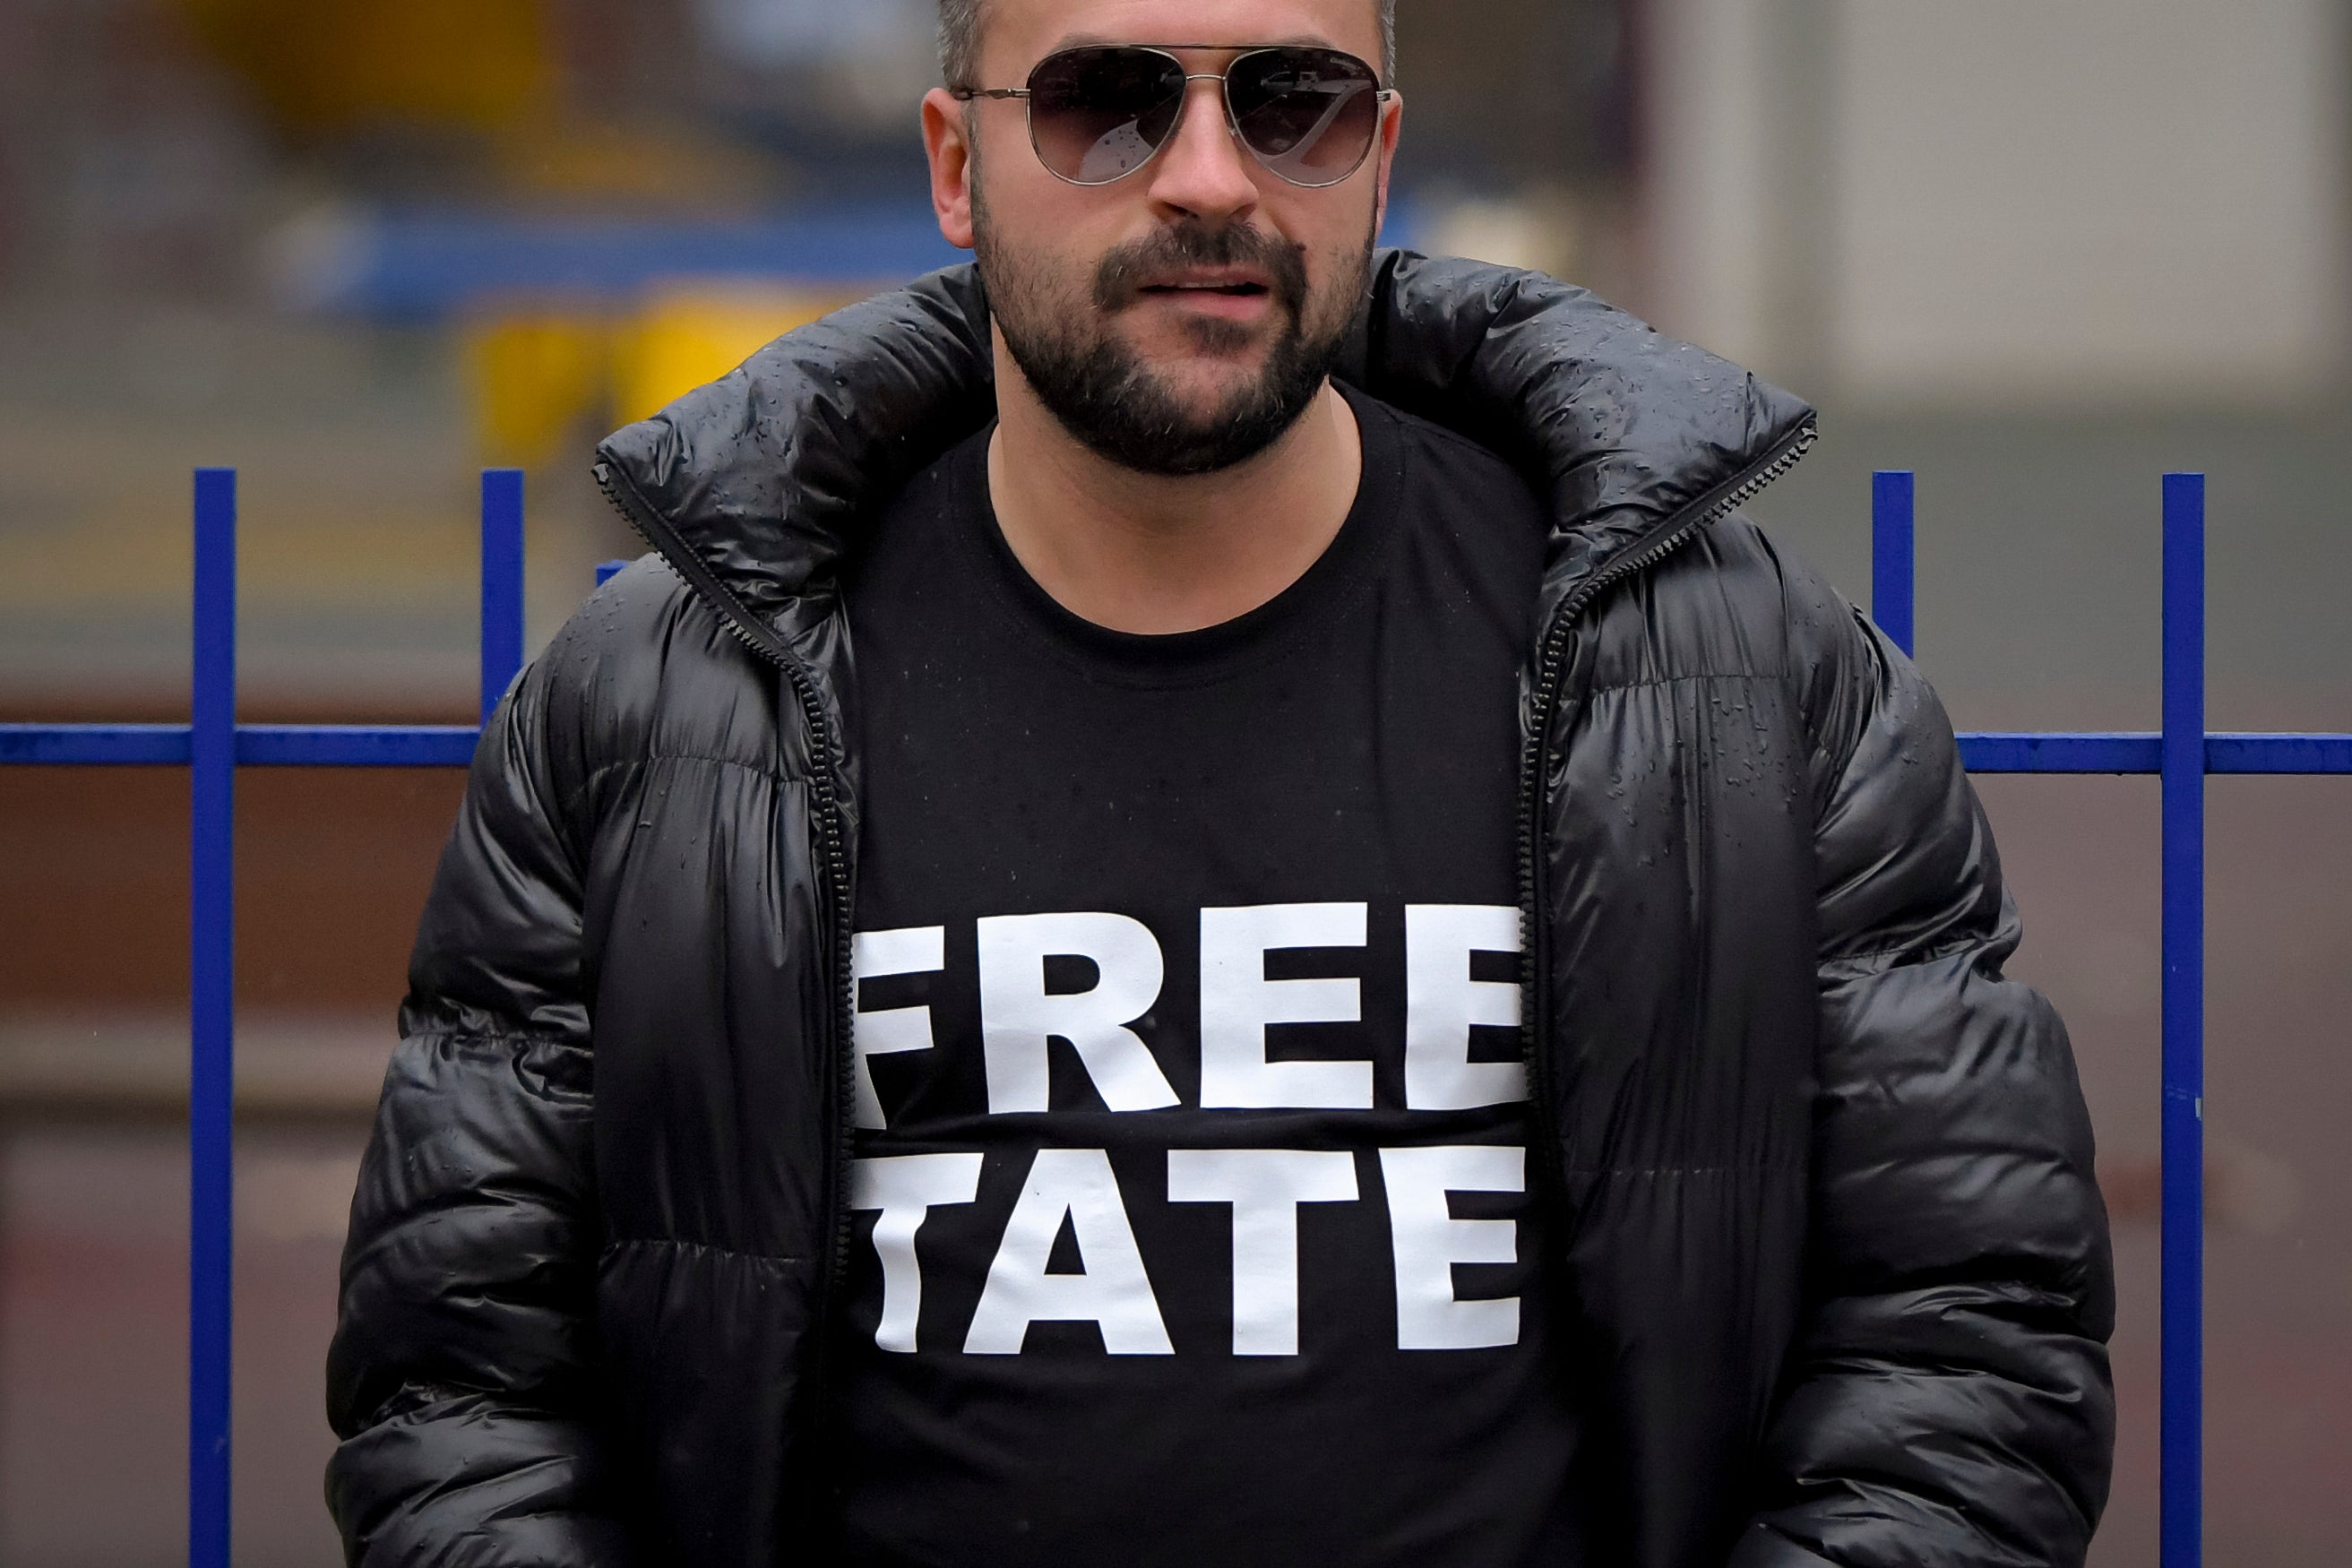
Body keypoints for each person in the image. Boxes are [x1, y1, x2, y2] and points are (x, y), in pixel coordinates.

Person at [323, 0, 2116, 1563]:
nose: (1204, 175)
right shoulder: (663, 698)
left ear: (1378, 155)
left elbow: (1960, 1334)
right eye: (1106, 97)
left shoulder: (1730, 676)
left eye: (1292, 101)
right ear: (956, 162)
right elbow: (462, 1372)